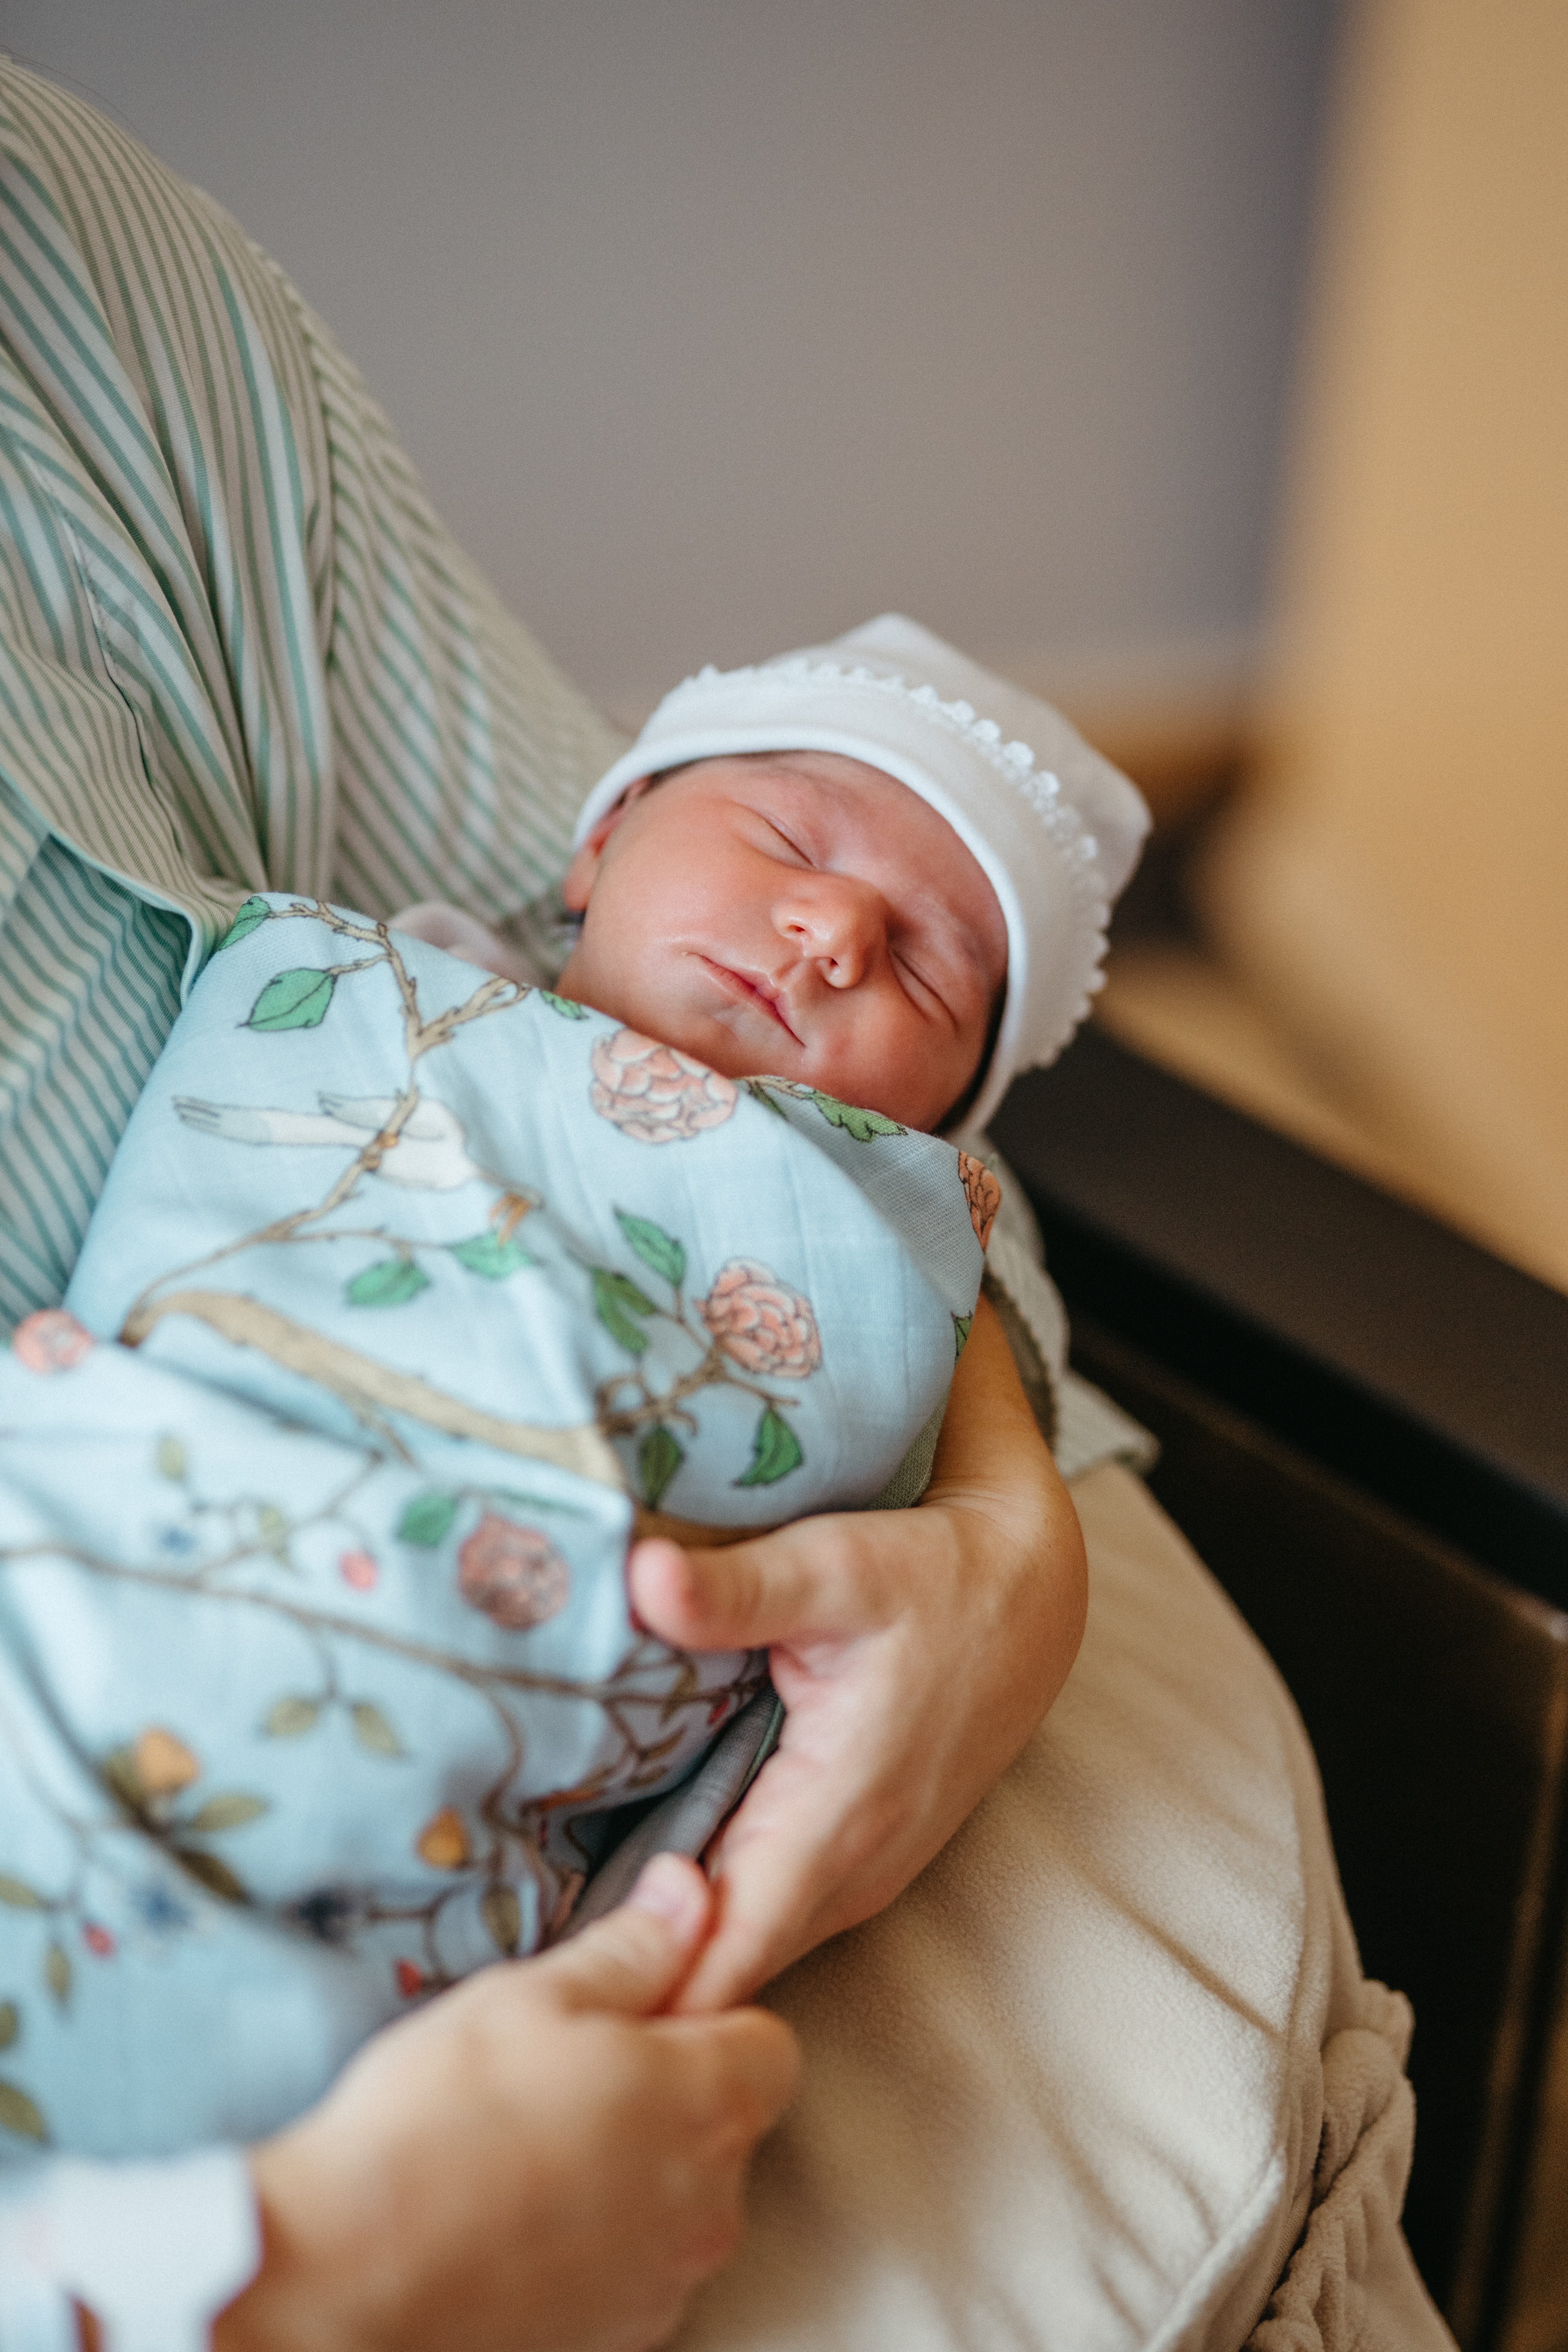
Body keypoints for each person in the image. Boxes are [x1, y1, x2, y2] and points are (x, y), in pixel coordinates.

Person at [0, 57, 1093, 2348]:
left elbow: (943, 1291)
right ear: (598, 842)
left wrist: (1009, 1539)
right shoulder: (386, 987)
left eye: (927, 968)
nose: (825, 941)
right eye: (793, 848)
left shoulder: (76, 287)